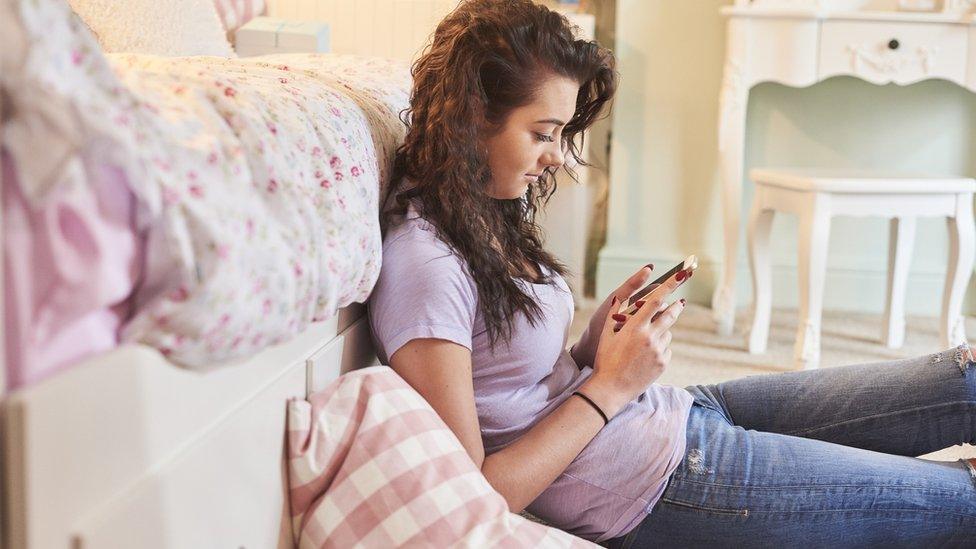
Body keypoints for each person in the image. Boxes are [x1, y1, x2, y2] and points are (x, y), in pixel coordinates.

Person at [367, 0, 976, 546]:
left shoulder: (480, 212)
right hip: (662, 483)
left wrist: (598, 345)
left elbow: (520, 385)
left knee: (962, 380)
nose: (556, 155)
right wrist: (608, 386)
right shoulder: (425, 267)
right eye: (544, 134)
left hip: (683, 411)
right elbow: (473, 497)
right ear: (472, 117)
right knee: (960, 503)